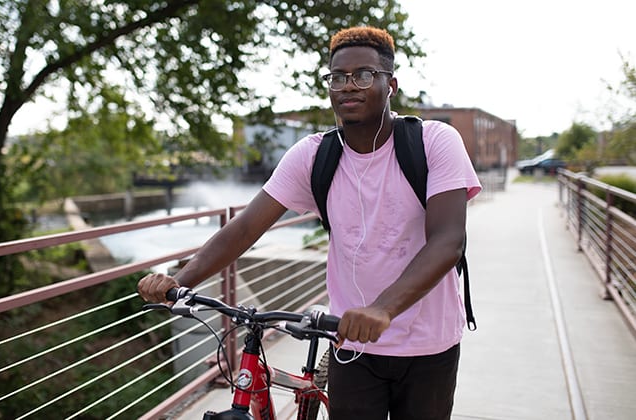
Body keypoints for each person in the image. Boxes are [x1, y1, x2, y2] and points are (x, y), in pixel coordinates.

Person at [138, 26, 482, 419]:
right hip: (351, 343)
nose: (348, 86)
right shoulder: (313, 156)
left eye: (364, 75)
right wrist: (181, 281)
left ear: (392, 85)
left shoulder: (434, 142)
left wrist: (383, 309)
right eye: (337, 77)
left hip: (428, 344)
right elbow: (246, 227)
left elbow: (447, 240)